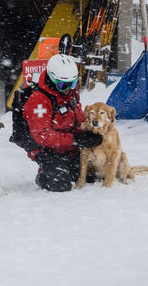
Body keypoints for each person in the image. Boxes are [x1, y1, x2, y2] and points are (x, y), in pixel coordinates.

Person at [23, 54, 103, 192]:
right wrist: (75, 140)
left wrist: (88, 133)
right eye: (62, 85)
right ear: (52, 79)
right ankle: (44, 174)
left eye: (73, 83)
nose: (68, 88)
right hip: (47, 150)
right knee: (60, 183)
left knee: (91, 175)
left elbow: (76, 117)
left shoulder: (71, 92)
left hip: (70, 148)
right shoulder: (39, 100)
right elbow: (42, 135)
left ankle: (67, 166)